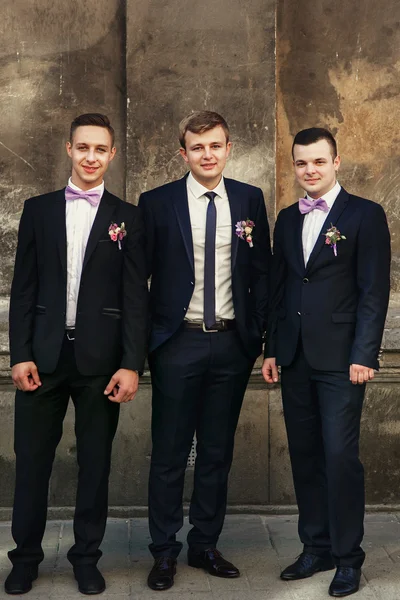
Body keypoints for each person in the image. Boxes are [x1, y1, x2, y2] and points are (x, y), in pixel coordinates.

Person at [6, 113, 148, 595]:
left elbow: (135, 299)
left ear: (111, 155)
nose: (90, 157)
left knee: (95, 463)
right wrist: (18, 354)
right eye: (82, 147)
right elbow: (22, 289)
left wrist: (131, 363)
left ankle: (86, 556)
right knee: (31, 463)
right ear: (69, 149)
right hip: (41, 359)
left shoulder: (127, 218)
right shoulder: (38, 210)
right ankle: (25, 558)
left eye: (100, 149)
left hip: (101, 363)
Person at [139, 111, 271, 591]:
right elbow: (139, 280)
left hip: (232, 345)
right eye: (197, 147)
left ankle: (206, 544)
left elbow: (261, 272)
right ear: (184, 153)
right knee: (171, 453)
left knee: (217, 452)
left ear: (228, 147)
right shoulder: (157, 203)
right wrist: (144, 346)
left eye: (215, 145)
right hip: (178, 342)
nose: (207, 154)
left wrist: (256, 337)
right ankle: (164, 551)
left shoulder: (250, 199)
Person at [262, 127, 390, 597]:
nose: (309, 170)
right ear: (293, 166)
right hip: (294, 356)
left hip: (342, 361)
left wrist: (364, 355)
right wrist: (273, 347)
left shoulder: (364, 215)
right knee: (306, 455)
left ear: (337, 162)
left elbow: (373, 292)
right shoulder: (287, 219)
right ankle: (313, 546)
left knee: (339, 456)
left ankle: (347, 557)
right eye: (301, 163)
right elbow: (280, 292)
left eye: (318, 161)